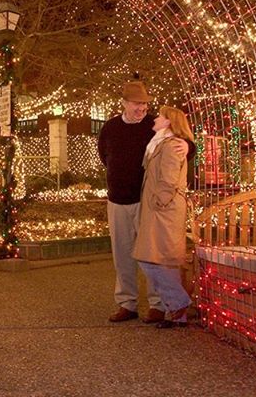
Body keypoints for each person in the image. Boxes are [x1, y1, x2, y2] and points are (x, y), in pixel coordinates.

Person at [97, 81, 195, 323]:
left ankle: (158, 304)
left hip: (146, 202)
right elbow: (103, 156)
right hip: (117, 200)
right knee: (122, 255)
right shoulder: (110, 127)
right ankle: (127, 303)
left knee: (153, 254)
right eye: (136, 103)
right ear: (124, 103)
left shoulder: (154, 126)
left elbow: (178, 142)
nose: (141, 108)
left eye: (144, 104)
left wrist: (189, 146)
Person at [134, 105, 195, 328]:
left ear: (168, 122)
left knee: (154, 258)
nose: (155, 119)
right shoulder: (160, 143)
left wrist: (158, 202)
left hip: (163, 211)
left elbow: (168, 179)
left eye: (160, 116)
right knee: (161, 259)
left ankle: (178, 304)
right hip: (159, 210)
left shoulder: (171, 146)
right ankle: (178, 313)